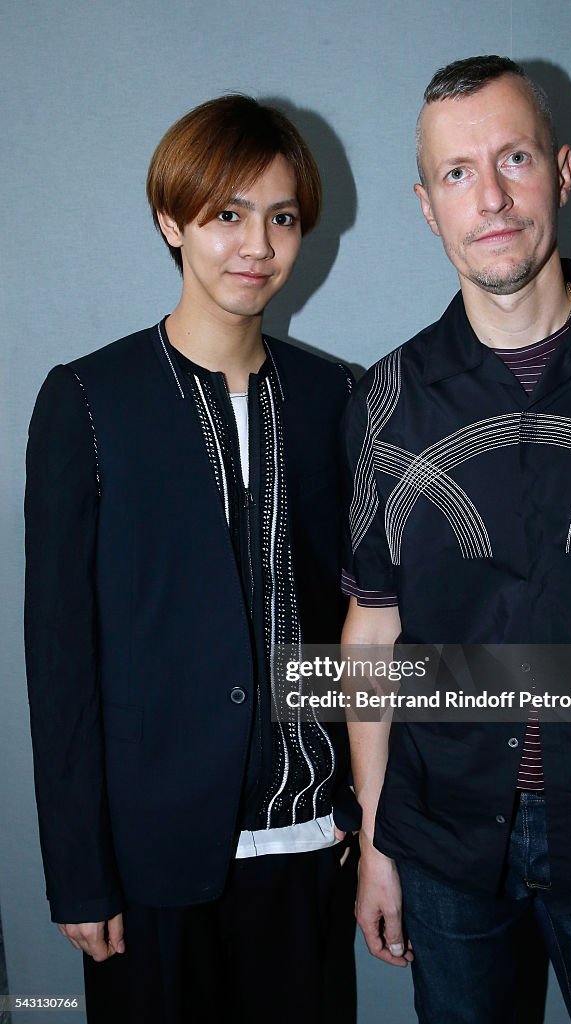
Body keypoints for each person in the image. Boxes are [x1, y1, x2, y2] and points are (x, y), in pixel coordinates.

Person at [341, 55, 571, 1023]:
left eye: (513, 159)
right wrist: (374, 837)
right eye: (455, 173)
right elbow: (372, 634)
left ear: (562, 172)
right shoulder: (385, 400)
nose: (487, 197)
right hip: (449, 854)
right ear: (424, 204)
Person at [25, 94, 358, 1024]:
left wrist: (369, 816)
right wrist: (79, 872)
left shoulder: (340, 399)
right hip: (150, 857)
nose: (256, 245)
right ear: (172, 220)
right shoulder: (89, 401)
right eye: (227, 214)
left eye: (281, 217)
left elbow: (357, 620)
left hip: (308, 838)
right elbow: (60, 665)